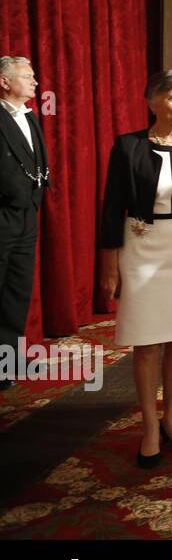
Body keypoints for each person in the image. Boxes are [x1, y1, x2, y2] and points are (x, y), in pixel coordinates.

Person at [98, 70, 172, 467]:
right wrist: (109, 264)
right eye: (171, 98)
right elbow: (112, 206)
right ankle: (149, 425)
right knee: (148, 341)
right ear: (152, 103)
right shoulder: (129, 146)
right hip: (145, 246)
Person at [0, 56, 50, 392]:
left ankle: (9, 360)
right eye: (27, 76)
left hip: (26, 216)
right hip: (2, 215)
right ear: (4, 82)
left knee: (17, 292)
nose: (34, 81)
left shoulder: (28, 117)